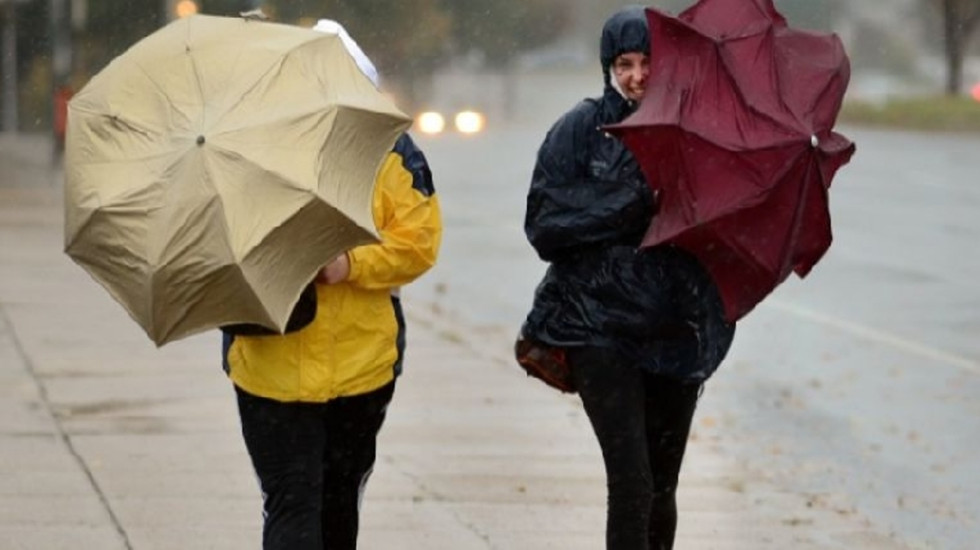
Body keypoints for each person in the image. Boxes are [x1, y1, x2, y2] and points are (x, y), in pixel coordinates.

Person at [221, 20, 442, 550]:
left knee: (338, 506)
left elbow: (419, 243)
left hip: (360, 370)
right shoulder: (249, 149)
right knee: (293, 504)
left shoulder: (395, 156)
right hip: (270, 362)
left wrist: (351, 264)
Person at [521, 7, 736, 550]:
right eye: (625, 63)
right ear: (608, 66)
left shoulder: (697, 134)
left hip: (675, 332)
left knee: (663, 485)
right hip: (597, 328)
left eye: (648, 63)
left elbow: (721, 233)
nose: (638, 75)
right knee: (633, 480)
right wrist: (631, 203)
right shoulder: (579, 130)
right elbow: (545, 226)